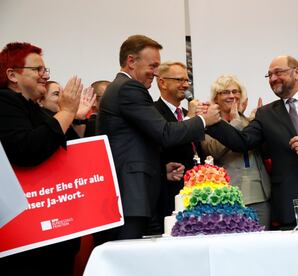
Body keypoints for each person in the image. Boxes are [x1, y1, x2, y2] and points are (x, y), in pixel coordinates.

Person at [207, 55, 298, 229]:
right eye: (269, 75)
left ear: (297, 73)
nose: (273, 78)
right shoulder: (266, 113)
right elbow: (242, 141)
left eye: (278, 72)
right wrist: (213, 122)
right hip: (287, 205)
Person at [96, 35, 220, 242]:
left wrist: (160, 169)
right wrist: (202, 120)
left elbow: (132, 144)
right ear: (131, 61)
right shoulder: (129, 88)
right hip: (130, 197)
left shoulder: (120, 88)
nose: (155, 72)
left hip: (129, 195)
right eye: (152, 65)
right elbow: (164, 133)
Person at [0, 42, 83, 275]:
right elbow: (27, 149)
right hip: (27, 243)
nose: (44, 76)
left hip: (55, 234)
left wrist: (72, 116)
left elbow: (76, 150)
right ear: (12, 75)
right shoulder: (4, 103)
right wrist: (66, 112)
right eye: (38, 70)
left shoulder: (37, 110)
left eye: (45, 70)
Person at [201, 74, 271, 228]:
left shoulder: (251, 122)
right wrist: (234, 122)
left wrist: (264, 121)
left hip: (260, 195)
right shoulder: (208, 125)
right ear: (215, 98)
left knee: (262, 245)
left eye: (235, 91)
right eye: (225, 92)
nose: (232, 96)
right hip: (226, 198)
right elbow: (213, 151)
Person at [154, 61, 205, 221]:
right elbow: (164, 143)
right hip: (169, 193)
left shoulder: (186, 113)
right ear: (162, 82)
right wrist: (190, 119)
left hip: (196, 192)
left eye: (187, 81)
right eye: (179, 80)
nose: (185, 85)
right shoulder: (153, 112)